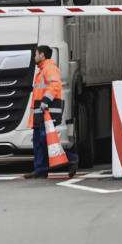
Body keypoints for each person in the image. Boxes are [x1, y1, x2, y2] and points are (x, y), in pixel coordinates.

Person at [24, 45, 78, 179]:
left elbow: (55, 84)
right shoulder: (42, 71)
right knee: (38, 141)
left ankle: (71, 158)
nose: (34, 57)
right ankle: (41, 170)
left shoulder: (49, 69)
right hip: (40, 113)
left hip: (47, 113)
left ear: (42, 55)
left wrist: (46, 100)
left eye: (36, 54)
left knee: (45, 141)